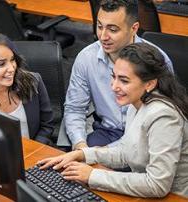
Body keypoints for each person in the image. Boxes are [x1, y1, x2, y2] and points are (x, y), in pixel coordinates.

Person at [39, 43, 188, 198]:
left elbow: (157, 185)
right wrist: (82, 154)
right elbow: (127, 153)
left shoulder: (164, 116)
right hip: (143, 191)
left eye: (123, 80)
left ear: (150, 84)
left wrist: (92, 175)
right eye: (113, 77)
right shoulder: (137, 103)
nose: (114, 86)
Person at [63, 0, 173, 150]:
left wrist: (103, 154)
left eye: (113, 30)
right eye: (99, 26)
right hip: (106, 132)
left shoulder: (157, 61)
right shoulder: (86, 58)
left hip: (145, 134)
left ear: (134, 28)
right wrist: (81, 146)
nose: (103, 36)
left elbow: (164, 119)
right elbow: (74, 109)